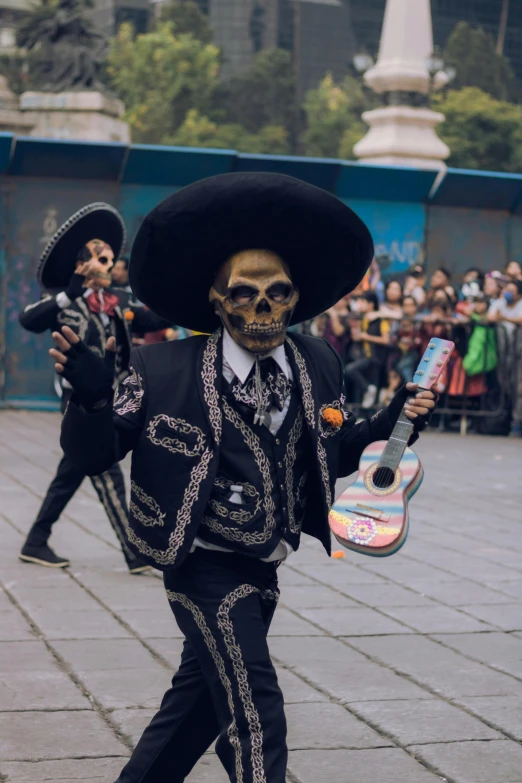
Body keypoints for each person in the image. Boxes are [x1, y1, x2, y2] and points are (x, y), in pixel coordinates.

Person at [51, 172, 437, 783]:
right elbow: (95, 455)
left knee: (194, 711)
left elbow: (333, 450)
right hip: (200, 566)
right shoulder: (161, 369)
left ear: (296, 296)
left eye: (277, 293)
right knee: (255, 711)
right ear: (215, 298)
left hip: (266, 567)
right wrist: (93, 401)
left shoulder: (318, 360)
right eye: (244, 293)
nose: (262, 307)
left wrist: (394, 421)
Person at [18, 203, 167, 572]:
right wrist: (69, 292)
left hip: (113, 397)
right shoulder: (64, 304)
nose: (109, 264)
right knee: (107, 472)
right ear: (80, 264)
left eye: (110, 258)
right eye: (100, 259)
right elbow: (28, 320)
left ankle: (36, 541)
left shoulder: (117, 305)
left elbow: (152, 318)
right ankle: (134, 553)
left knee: (71, 473)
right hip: (79, 402)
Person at [344, 291, 391, 409]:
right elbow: (356, 337)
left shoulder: (381, 320)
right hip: (363, 357)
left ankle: (368, 390)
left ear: (371, 304)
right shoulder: (362, 318)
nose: (360, 304)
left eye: (363, 301)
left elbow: (386, 340)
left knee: (350, 370)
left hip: (374, 358)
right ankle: (360, 411)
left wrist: (366, 337)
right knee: (359, 389)